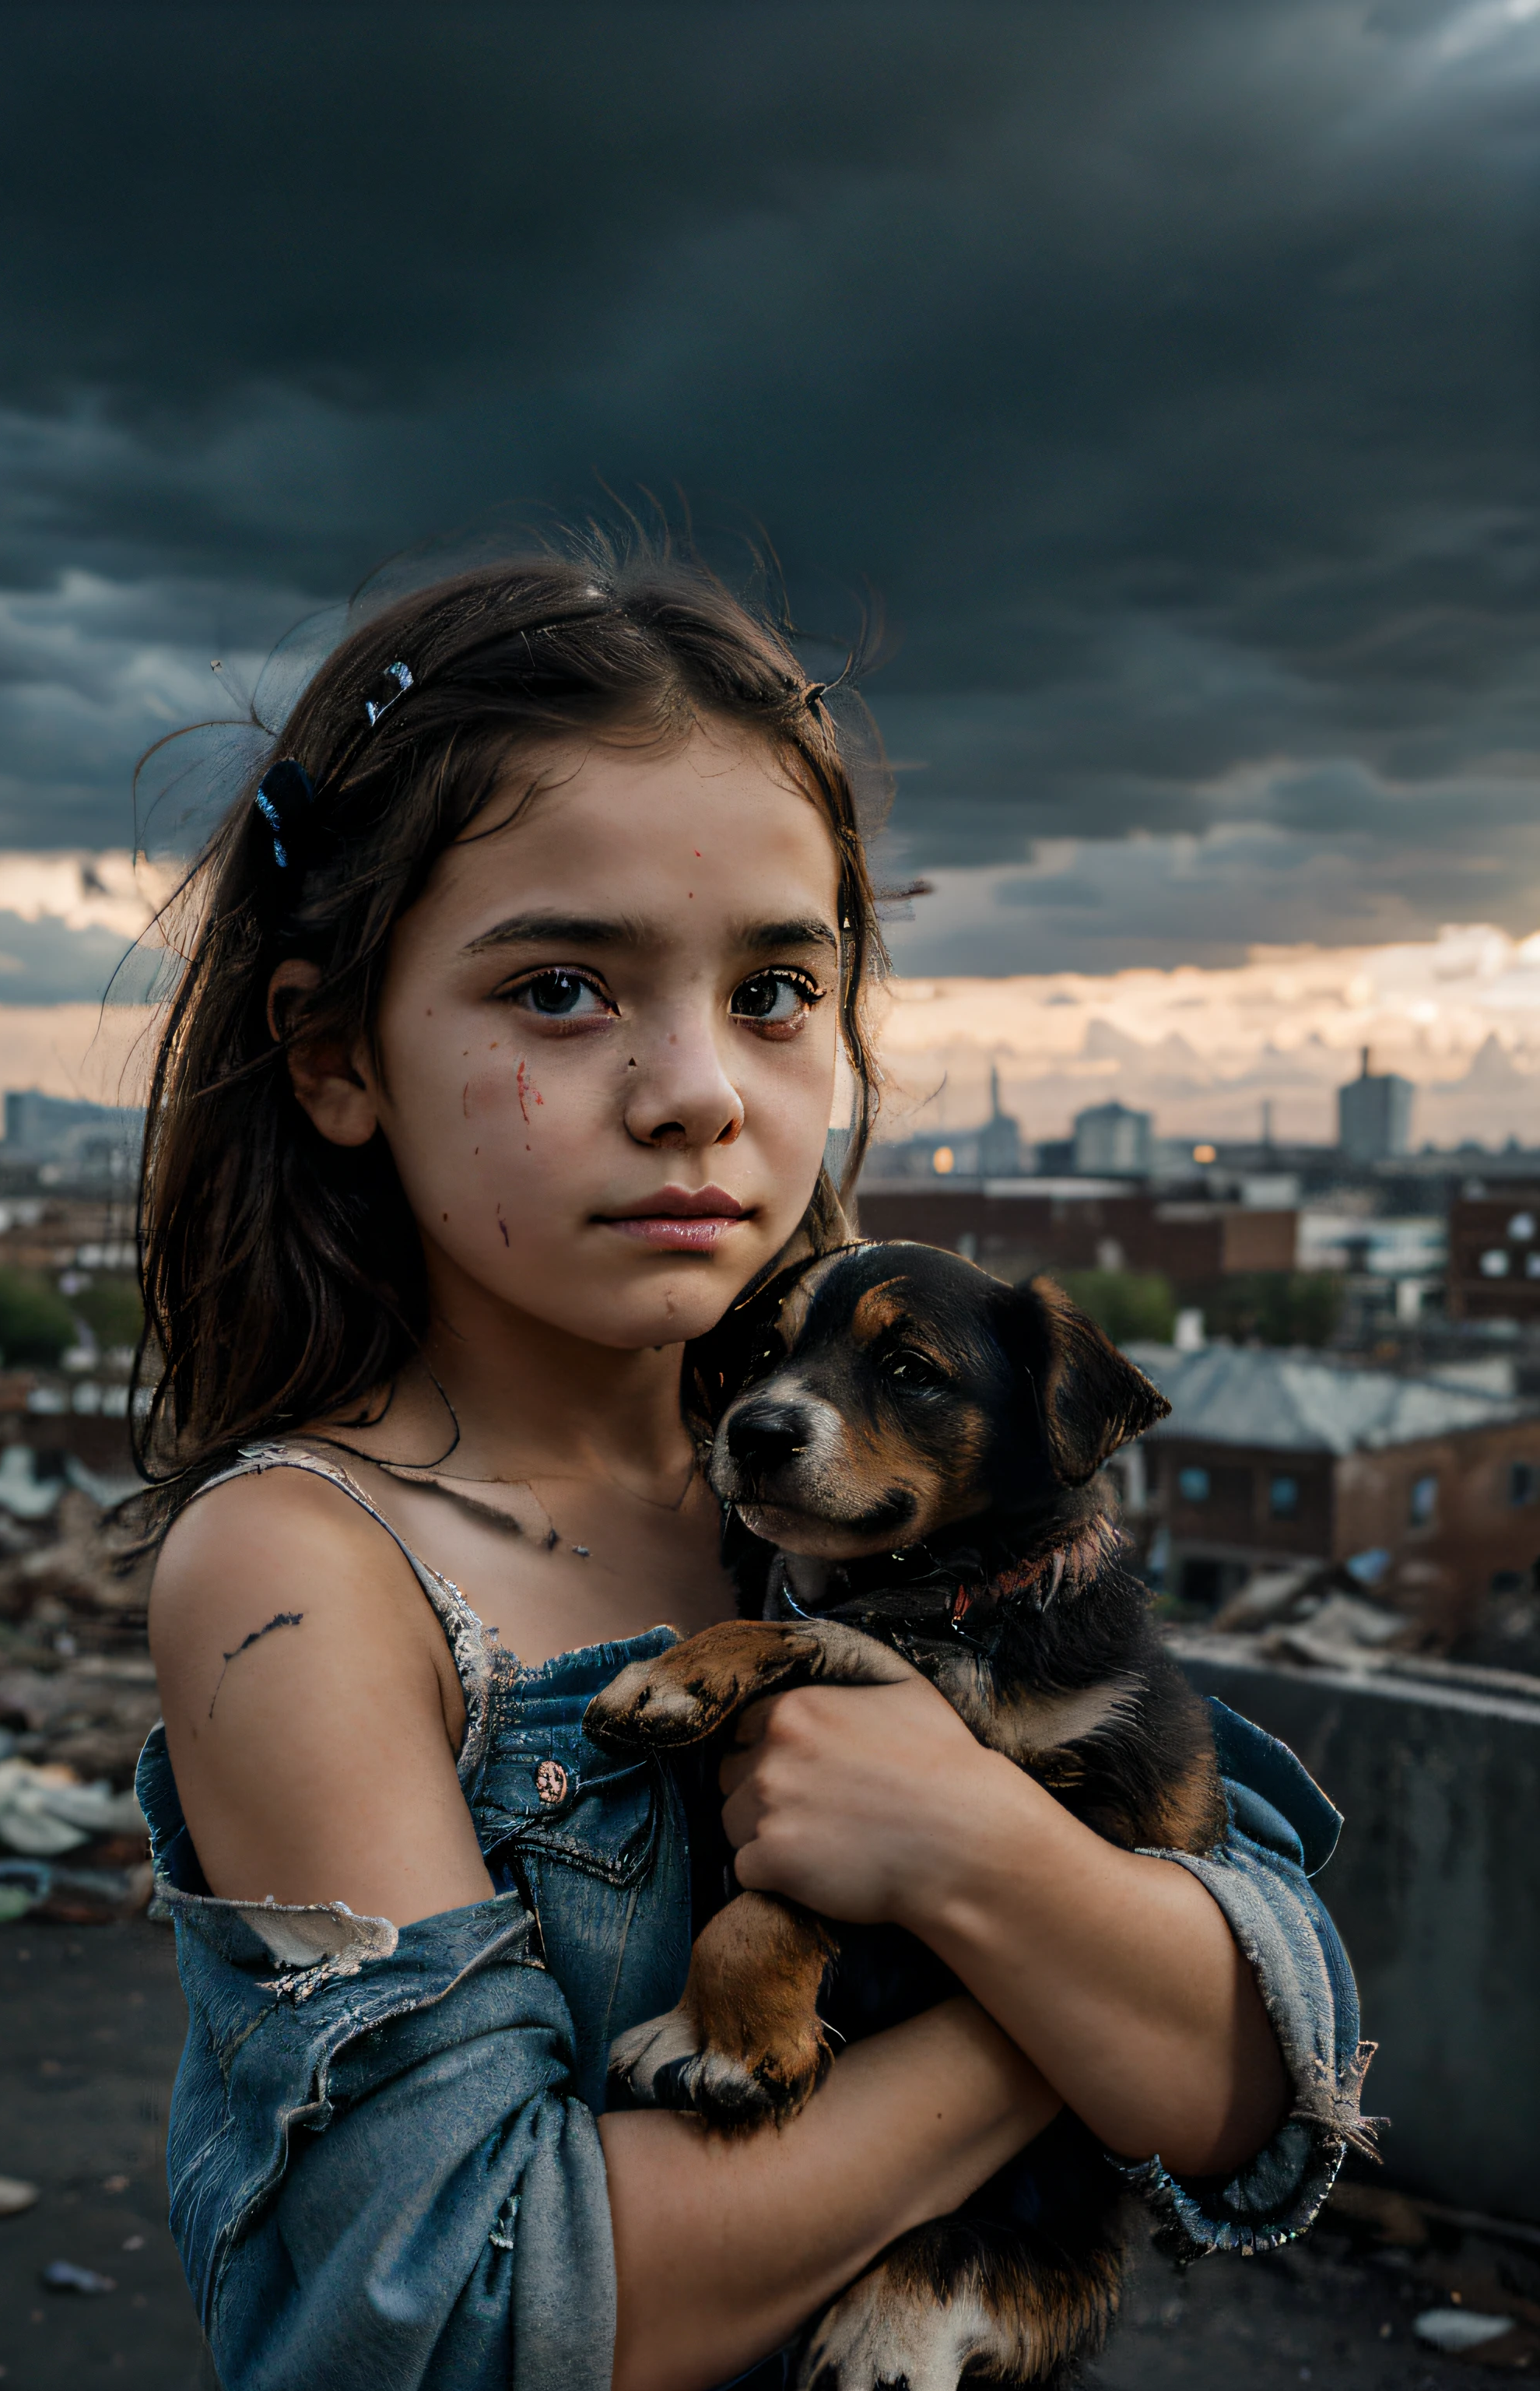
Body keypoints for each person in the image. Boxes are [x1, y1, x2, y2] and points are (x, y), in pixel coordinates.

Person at [135, 546, 1371, 2391]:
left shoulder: (874, 1511)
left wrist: (1001, 1878)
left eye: (777, 990)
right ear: (333, 1055)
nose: (700, 1088)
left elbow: (1276, 2057)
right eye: (562, 987)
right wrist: (1034, 1941)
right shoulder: (312, 1577)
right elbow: (465, 2310)